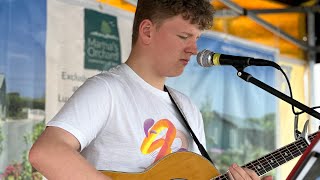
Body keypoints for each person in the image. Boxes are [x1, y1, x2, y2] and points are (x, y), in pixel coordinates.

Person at [29, 0, 271, 179]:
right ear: (147, 31)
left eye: (197, 38)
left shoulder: (187, 108)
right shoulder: (107, 90)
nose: (194, 49)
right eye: (184, 36)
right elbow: (46, 152)